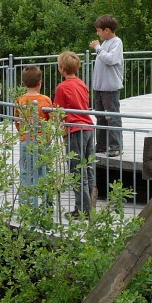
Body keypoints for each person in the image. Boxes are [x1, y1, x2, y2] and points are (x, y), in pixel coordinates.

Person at [53, 51, 95, 220]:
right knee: (88, 168)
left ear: (62, 69)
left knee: (76, 171)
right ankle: (89, 204)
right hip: (88, 127)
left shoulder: (62, 87)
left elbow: (58, 110)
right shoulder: (81, 84)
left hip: (74, 130)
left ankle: (82, 210)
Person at [15, 66, 52, 208]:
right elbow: (51, 119)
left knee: (26, 172)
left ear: (23, 83)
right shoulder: (45, 100)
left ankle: (25, 204)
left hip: (25, 140)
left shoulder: (20, 100)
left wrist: (22, 133)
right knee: (45, 171)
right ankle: (47, 203)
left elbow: (17, 120)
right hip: (42, 141)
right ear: (40, 83)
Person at [89, 14, 124, 157]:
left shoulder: (117, 42)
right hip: (100, 88)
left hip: (110, 88)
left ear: (107, 30)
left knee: (112, 117)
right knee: (101, 117)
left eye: (99, 30)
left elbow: (110, 59)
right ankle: (102, 145)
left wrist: (97, 48)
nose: (97, 33)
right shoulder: (105, 43)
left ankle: (115, 146)